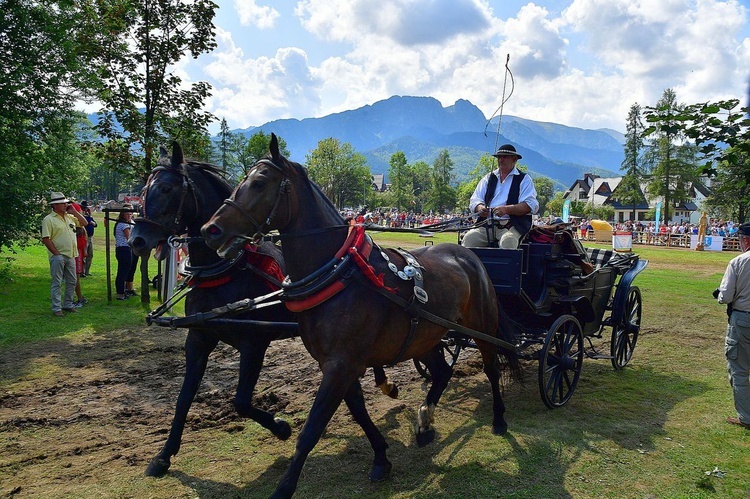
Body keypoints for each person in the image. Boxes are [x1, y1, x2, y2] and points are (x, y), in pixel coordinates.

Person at [461, 144, 539, 248]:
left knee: (508, 241)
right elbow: (475, 199)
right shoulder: (488, 178)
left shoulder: (524, 179)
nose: (501, 160)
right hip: (487, 224)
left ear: (514, 160)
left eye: (505, 157)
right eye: (499, 157)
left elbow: (530, 205)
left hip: (512, 225)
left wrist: (506, 210)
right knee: (469, 239)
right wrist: (480, 208)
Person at [716, 222, 750, 429]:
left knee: (739, 370)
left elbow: (726, 296)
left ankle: (746, 417)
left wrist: (719, 295)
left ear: (745, 240)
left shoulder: (738, 262)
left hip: (743, 319)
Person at [41, 191, 88, 316]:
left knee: (72, 280)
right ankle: (57, 308)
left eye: (65, 203)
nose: (65, 205)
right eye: (62, 203)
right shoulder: (49, 219)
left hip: (71, 254)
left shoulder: (70, 217)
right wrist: (56, 254)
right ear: (55, 205)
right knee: (57, 282)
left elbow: (85, 223)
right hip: (58, 255)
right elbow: (46, 239)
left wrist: (75, 212)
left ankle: (68, 304)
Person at [113, 206, 135, 300]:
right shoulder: (123, 225)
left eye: (130, 214)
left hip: (125, 249)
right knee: (122, 272)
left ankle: (124, 290)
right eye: (127, 214)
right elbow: (129, 238)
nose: (129, 216)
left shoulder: (128, 223)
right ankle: (120, 293)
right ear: (122, 214)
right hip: (124, 249)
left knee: (126, 271)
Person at [81, 201, 97, 276]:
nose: (86, 209)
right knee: (84, 253)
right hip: (84, 236)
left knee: (90, 254)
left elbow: (95, 224)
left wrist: (90, 216)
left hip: (90, 237)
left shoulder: (89, 217)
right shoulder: (82, 216)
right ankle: (82, 271)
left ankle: (87, 270)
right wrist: (90, 221)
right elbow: (87, 223)